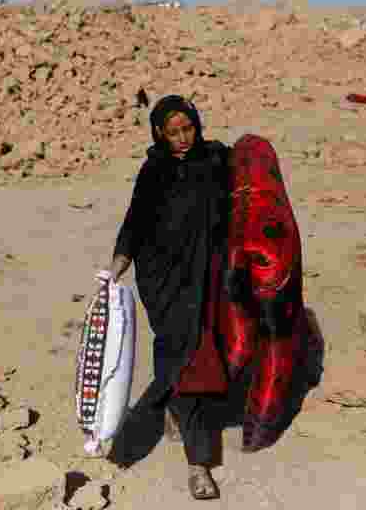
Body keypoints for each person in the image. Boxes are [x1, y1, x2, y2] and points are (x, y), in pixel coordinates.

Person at [102, 94, 231, 500]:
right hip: (161, 282)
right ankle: (187, 435)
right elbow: (135, 219)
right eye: (172, 132)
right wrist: (119, 263)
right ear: (159, 133)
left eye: (188, 128)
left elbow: (248, 196)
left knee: (193, 360)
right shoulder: (153, 170)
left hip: (207, 279)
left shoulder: (215, 161)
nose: (182, 138)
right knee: (179, 355)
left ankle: (197, 461)